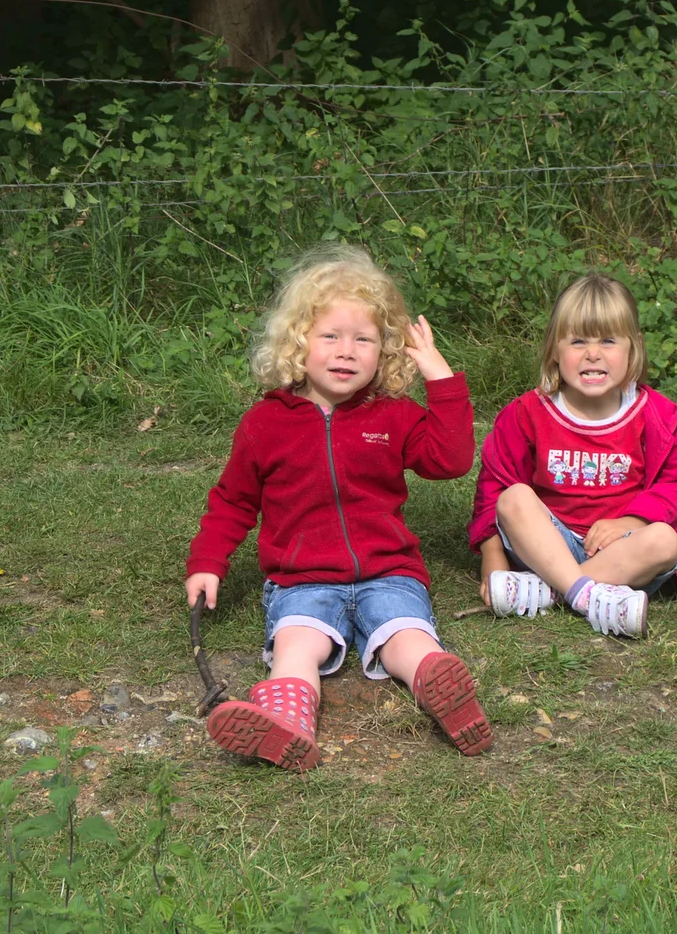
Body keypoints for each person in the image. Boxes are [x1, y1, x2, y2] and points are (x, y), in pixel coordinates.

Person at [185, 244, 490, 771]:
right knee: (297, 645)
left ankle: (441, 685)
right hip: (302, 578)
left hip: (389, 571)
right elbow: (233, 500)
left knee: (404, 635)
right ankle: (286, 721)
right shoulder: (265, 424)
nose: (347, 351)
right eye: (331, 336)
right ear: (298, 343)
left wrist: (441, 381)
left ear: (386, 352)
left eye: (363, 340)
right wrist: (208, 562)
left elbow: (451, 460)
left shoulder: (392, 414)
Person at [469, 273, 677, 634]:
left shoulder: (657, 414)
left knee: (665, 541)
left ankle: (551, 592)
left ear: (633, 347)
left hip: (620, 553)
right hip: (545, 545)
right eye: (577, 341)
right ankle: (588, 596)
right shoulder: (528, 412)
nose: (593, 354)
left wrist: (631, 523)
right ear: (554, 349)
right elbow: (494, 486)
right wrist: (492, 560)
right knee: (513, 499)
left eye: (608, 340)